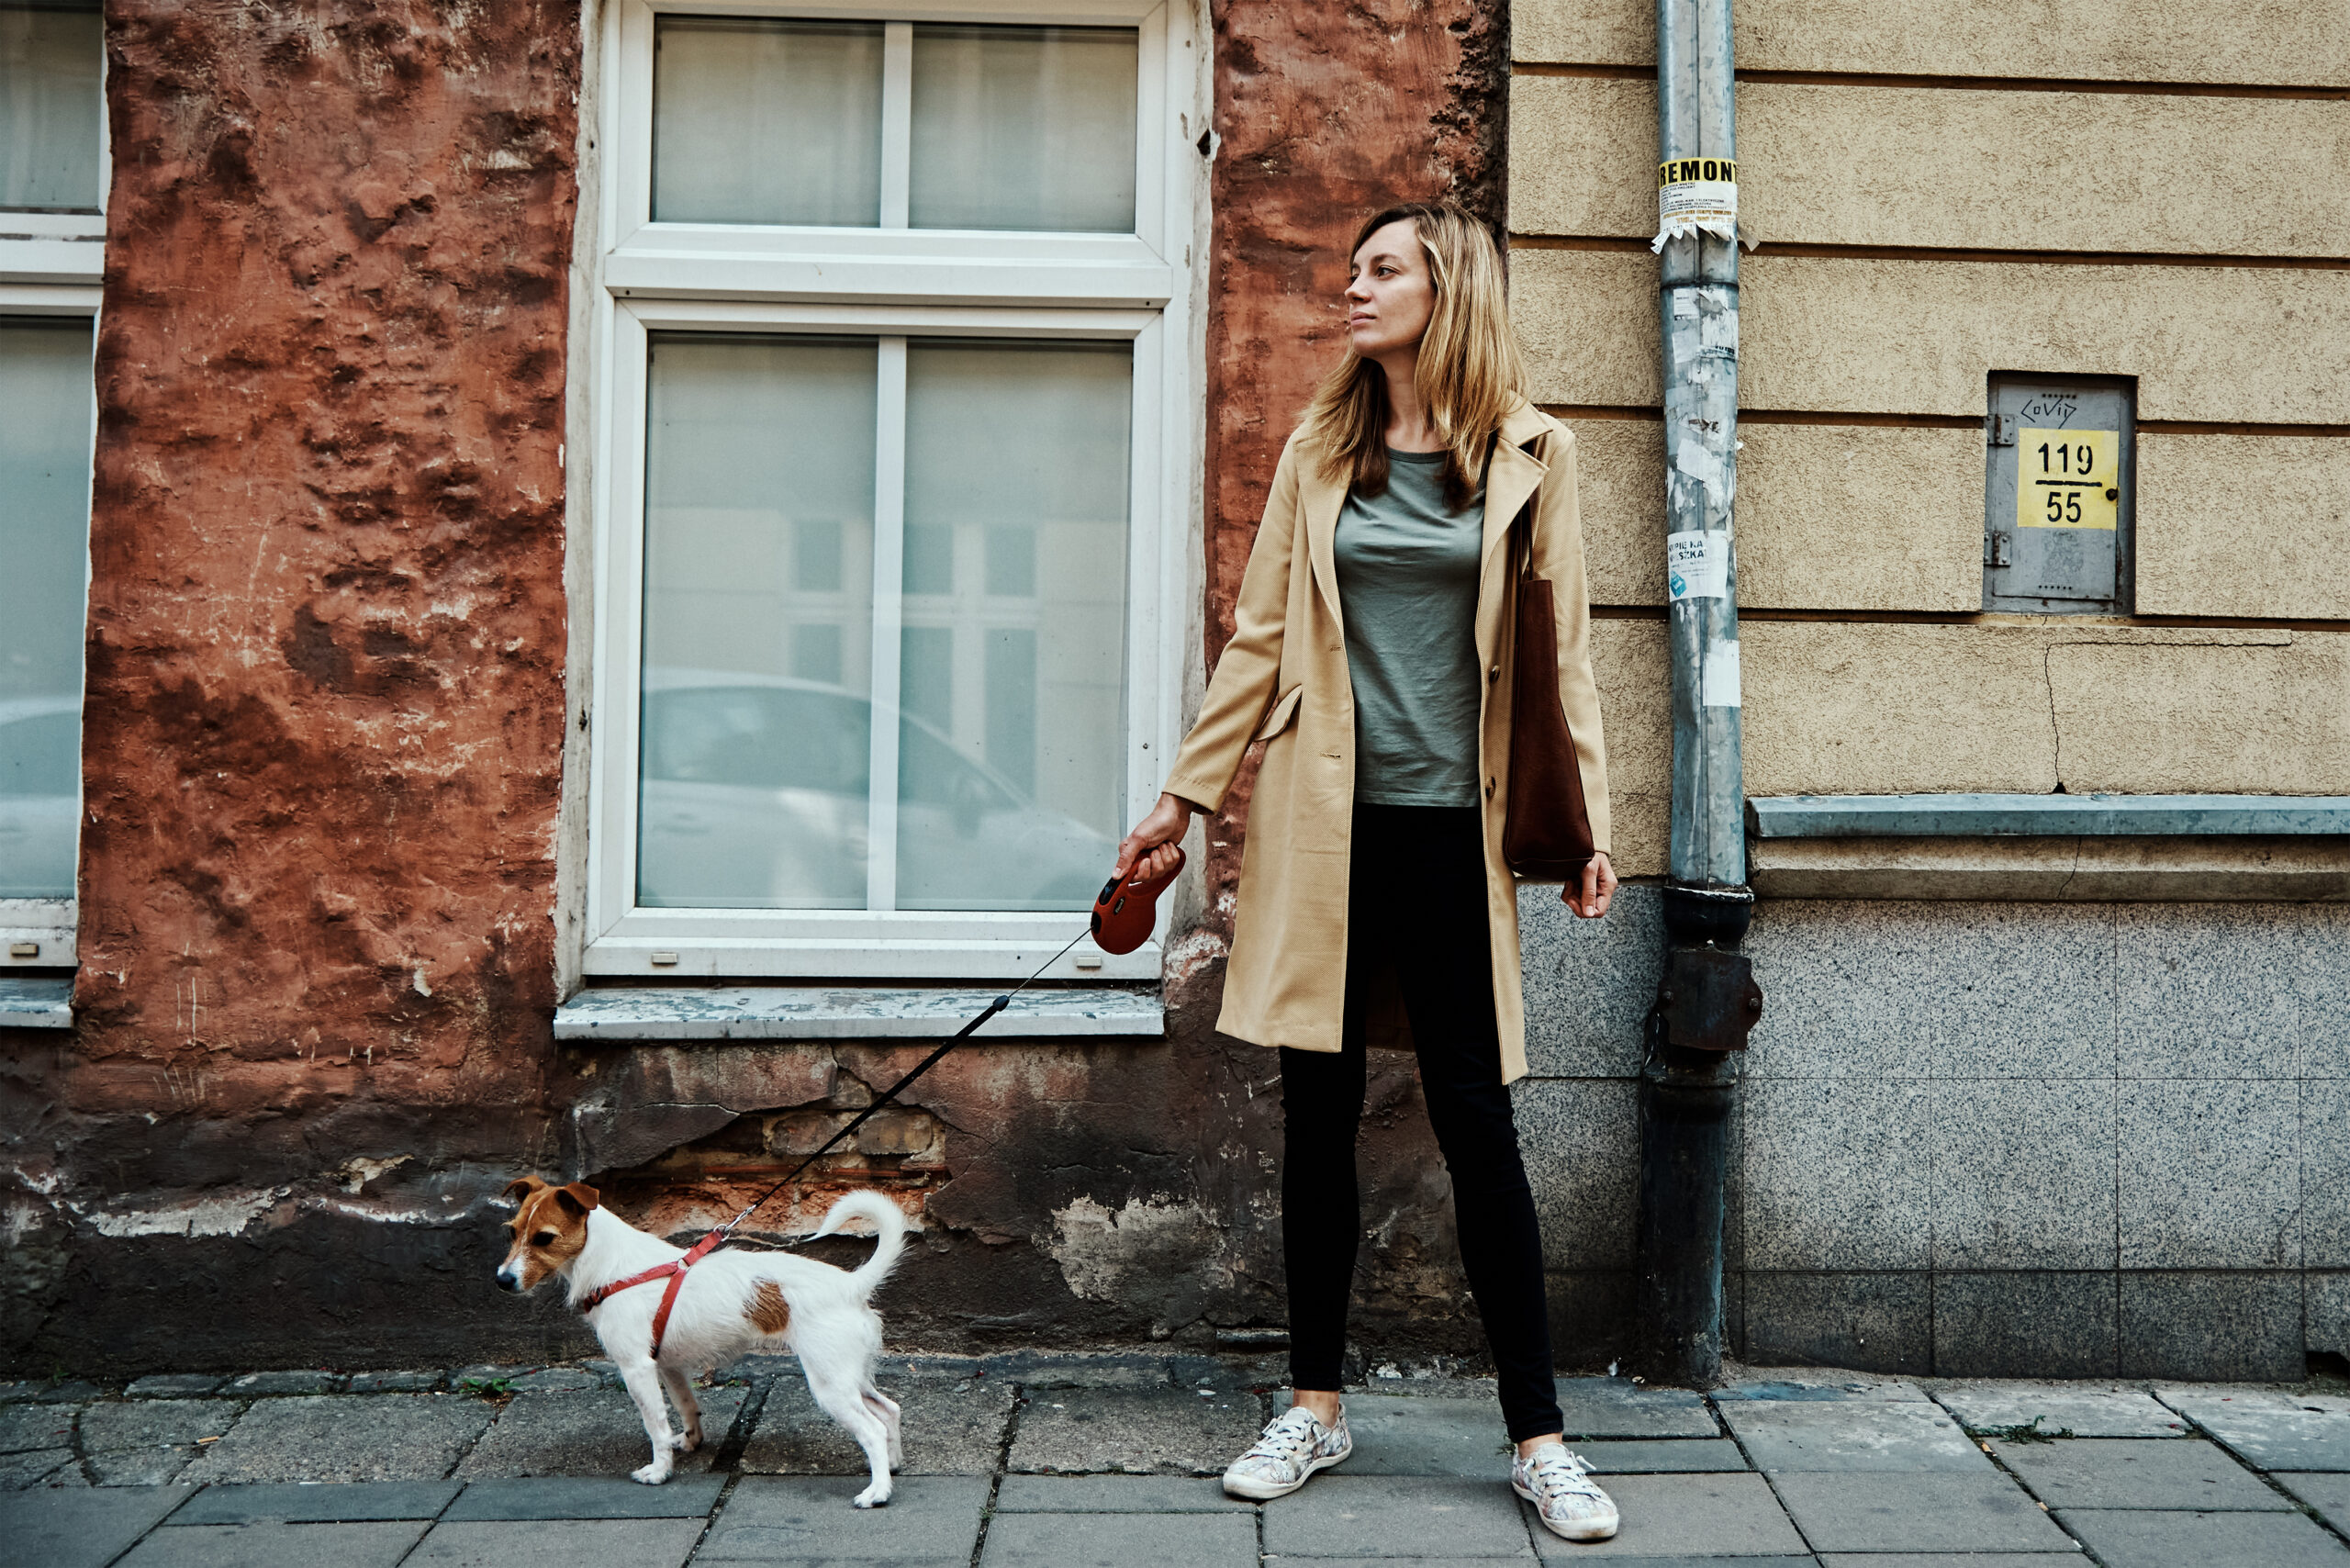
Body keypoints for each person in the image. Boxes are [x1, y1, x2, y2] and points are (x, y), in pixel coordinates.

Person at [1113, 201, 1620, 1541]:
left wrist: (1588, 828)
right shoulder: (1322, 447)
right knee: (1316, 1119)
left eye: (1382, 270)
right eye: (1352, 269)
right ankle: (1314, 1408)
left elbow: (1564, 653)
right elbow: (1262, 640)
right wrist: (1181, 799)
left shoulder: (1531, 453)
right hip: (1327, 830)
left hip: (1458, 829)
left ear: (1446, 289)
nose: (1354, 288)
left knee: (1477, 1121)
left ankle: (1540, 1437)